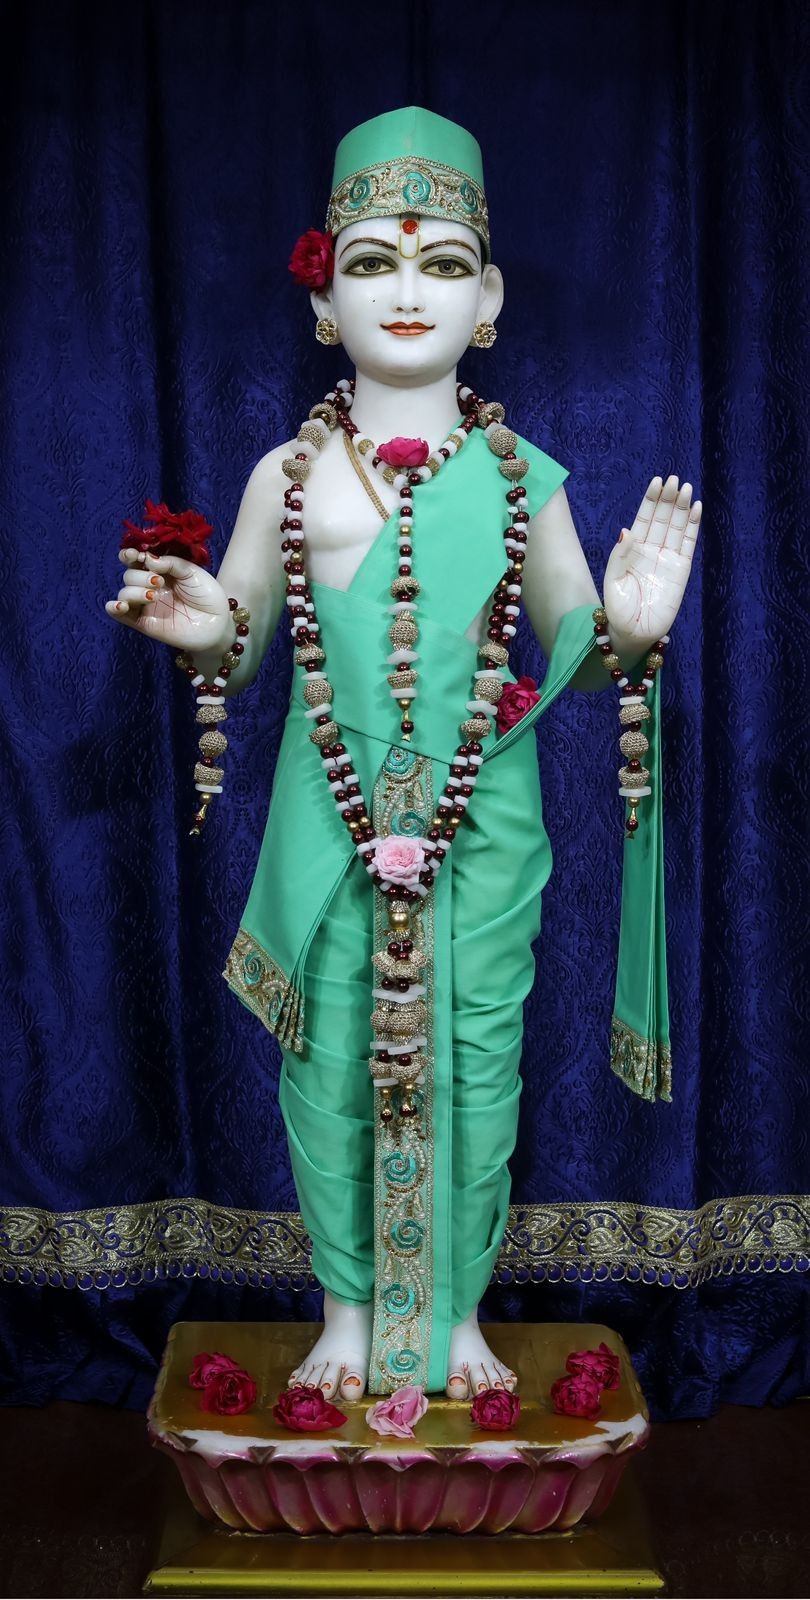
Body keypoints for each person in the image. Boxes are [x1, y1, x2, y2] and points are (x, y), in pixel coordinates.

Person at [105, 108, 700, 1401]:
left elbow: (574, 640)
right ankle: (344, 1314)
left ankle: (457, 1322)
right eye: (372, 261)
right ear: (323, 301)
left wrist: (629, 631)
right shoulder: (289, 474)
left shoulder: (521, 475)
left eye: (440, 265)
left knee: (477, 1064)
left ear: (485, 299)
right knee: (323, 1070)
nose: (408, 291)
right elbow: (247, 639)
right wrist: (208, 627)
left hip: (482, 823)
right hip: (328, 815)